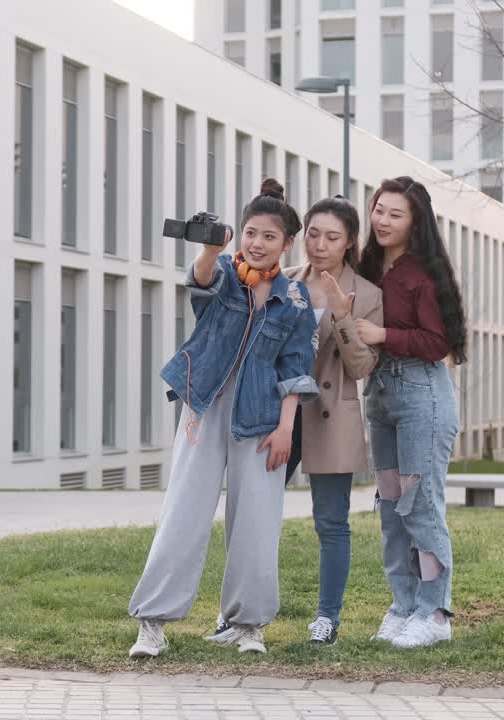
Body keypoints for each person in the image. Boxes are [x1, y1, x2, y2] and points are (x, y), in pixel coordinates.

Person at [127, 179, 319, 658]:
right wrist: (212, 249)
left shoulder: (295, 302)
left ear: (287, 243)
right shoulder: (227, 277)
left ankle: (247, 624)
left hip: (263, 419)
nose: (257, 243)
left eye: (269, 237)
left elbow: (295, 370)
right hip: (206, 404)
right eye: (251, 233)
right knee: (184, 511)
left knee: (257, 519)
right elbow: (201, 280)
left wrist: (285, 430)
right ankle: (153, 622)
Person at [354, 177, 468, 649]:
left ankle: (434, 613)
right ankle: (403, 607)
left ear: (414, 222)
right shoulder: (367, 267)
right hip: (379, 395)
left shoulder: (423, 273)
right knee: (390, 511)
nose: (382, 220)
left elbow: (438, 342)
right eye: (379, 210)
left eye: (394, 214)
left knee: (420, 507)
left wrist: (384, 336)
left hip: (423, 394)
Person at [281, 196, 383, 645]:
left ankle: (327, 618)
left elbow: (362, 368)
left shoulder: (368, 294)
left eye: (332, 237)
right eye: (313, 233)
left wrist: (343, 313)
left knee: (331, 521)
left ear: (350, 242)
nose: (319, 245)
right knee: (255, 515)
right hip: (279, 413)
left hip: (331, 414)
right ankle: (240, 613)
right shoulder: (281, 282)